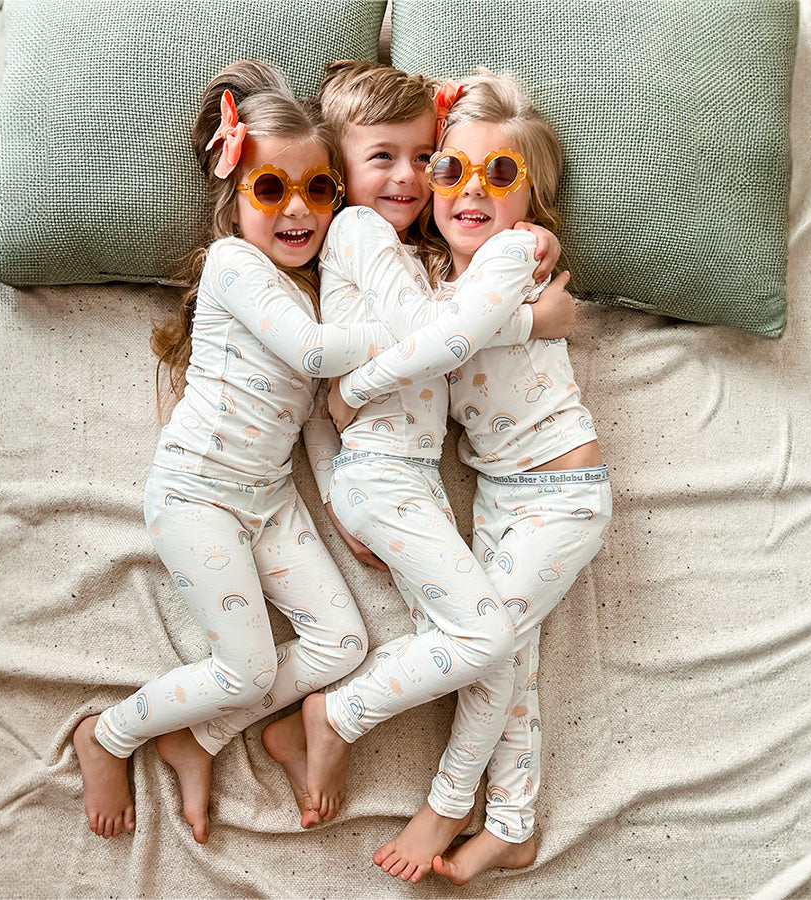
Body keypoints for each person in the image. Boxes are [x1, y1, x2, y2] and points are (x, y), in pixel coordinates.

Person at [73, 59, 405, 845]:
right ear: (234, 197)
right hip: (197, 494)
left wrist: (341, 503)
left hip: (269, 499)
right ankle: (109, 734)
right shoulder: (234, 266)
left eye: (318, 190)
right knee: (248, 668)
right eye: (272, 189)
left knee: (343, 643)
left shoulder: (316, 292)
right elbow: (315, 354)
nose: (298, 209)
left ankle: (203, 735)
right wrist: (417, 328)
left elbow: (317, 420)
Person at [261, 60, 577, 878]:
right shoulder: (363, 235)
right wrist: (530, 317)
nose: (409, 177)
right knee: (486, 641)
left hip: (429, 482)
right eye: (384, 158)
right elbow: (431, 336)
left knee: (487, 650)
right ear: (339, 170)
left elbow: (412, 346)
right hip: (393, 479)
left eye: (421, 159)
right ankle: (338, 718)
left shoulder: (436, 257)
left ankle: (503, 817)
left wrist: (523, 256)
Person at [328, 69, 613, 884]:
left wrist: (351, 392)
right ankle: (513, 825)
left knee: (493, 651)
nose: (471, 190)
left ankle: (443, 800)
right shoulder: (433, 281)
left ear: (531, 201)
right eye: (450, 170)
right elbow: (436, 328)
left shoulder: (513, 256)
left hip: (561, 496)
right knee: (505, 660)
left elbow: (449, 344)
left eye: (501, 173)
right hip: (496, 498)